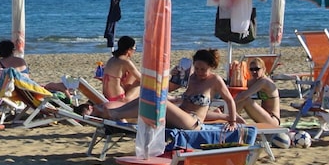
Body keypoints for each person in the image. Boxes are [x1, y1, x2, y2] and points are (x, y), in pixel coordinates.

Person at [95, 48, 240, 131]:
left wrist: (232, 121)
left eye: (203, 69)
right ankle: (117, 112)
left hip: (193, 122)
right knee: (148, 97)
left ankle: (115, 114)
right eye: (197, 68)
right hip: (179, 116)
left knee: (162, 103)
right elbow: (167, 89)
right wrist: (173, 75)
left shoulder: (214, 80)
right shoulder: (191, 77)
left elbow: (229, 100)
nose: (199, 72)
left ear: (212, 67)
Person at [233, 57, 281, 127]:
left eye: (257, 69)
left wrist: (228, 104)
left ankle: (230, 118)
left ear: (264, 69)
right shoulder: (257, 80)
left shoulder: (264, 81)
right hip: (265, 117)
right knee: (241, 97)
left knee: (245, 99)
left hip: (273, 120)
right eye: (251, 69)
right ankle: (230, 117)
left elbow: (243, 96)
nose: (254, 72)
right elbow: (241, 85)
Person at [101, 36, 142, 107]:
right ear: (129, 49)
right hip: (120, 99)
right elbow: (142, 79)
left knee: (132, 75)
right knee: (141, 83)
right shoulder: (125, 61)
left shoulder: (112, 59)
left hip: (107, 96)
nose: (134, 51)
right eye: (135, 48)